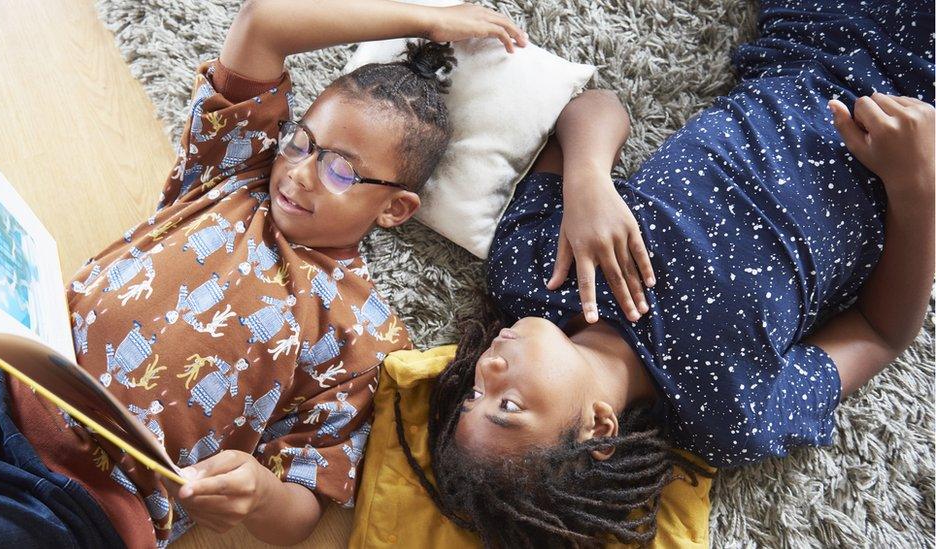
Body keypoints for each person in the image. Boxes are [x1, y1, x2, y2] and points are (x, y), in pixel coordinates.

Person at [0, 1, 529, 547]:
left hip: (85, 495)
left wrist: (258, 495)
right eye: (302, 142)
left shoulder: (370, 341)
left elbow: (302, 510)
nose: (300, 173)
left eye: (339, 170)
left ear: (394, 209)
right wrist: (426, 19)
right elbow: (262, 22)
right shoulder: (234, 172)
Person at [400, 0, 935, 545]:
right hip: (916, 116)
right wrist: (917, 187)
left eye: (471, 394)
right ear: (597, 430)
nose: (486, 369)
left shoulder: (531, 276)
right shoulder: (730, 415)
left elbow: (593, 107)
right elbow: (880, 332)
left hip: (805, 41)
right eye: (506, 405)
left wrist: (587, 181)